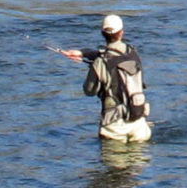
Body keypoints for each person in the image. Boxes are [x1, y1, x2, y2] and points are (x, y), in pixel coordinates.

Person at [61, 14, 152, 143]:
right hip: (139, 123)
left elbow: (89, 91)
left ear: (103, 34)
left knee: (113, 162)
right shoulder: (133, 53)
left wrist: (94, 69)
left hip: (114, 128)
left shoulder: (100, 63)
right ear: (121, 33)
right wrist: (83, 53)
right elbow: (114, 56)